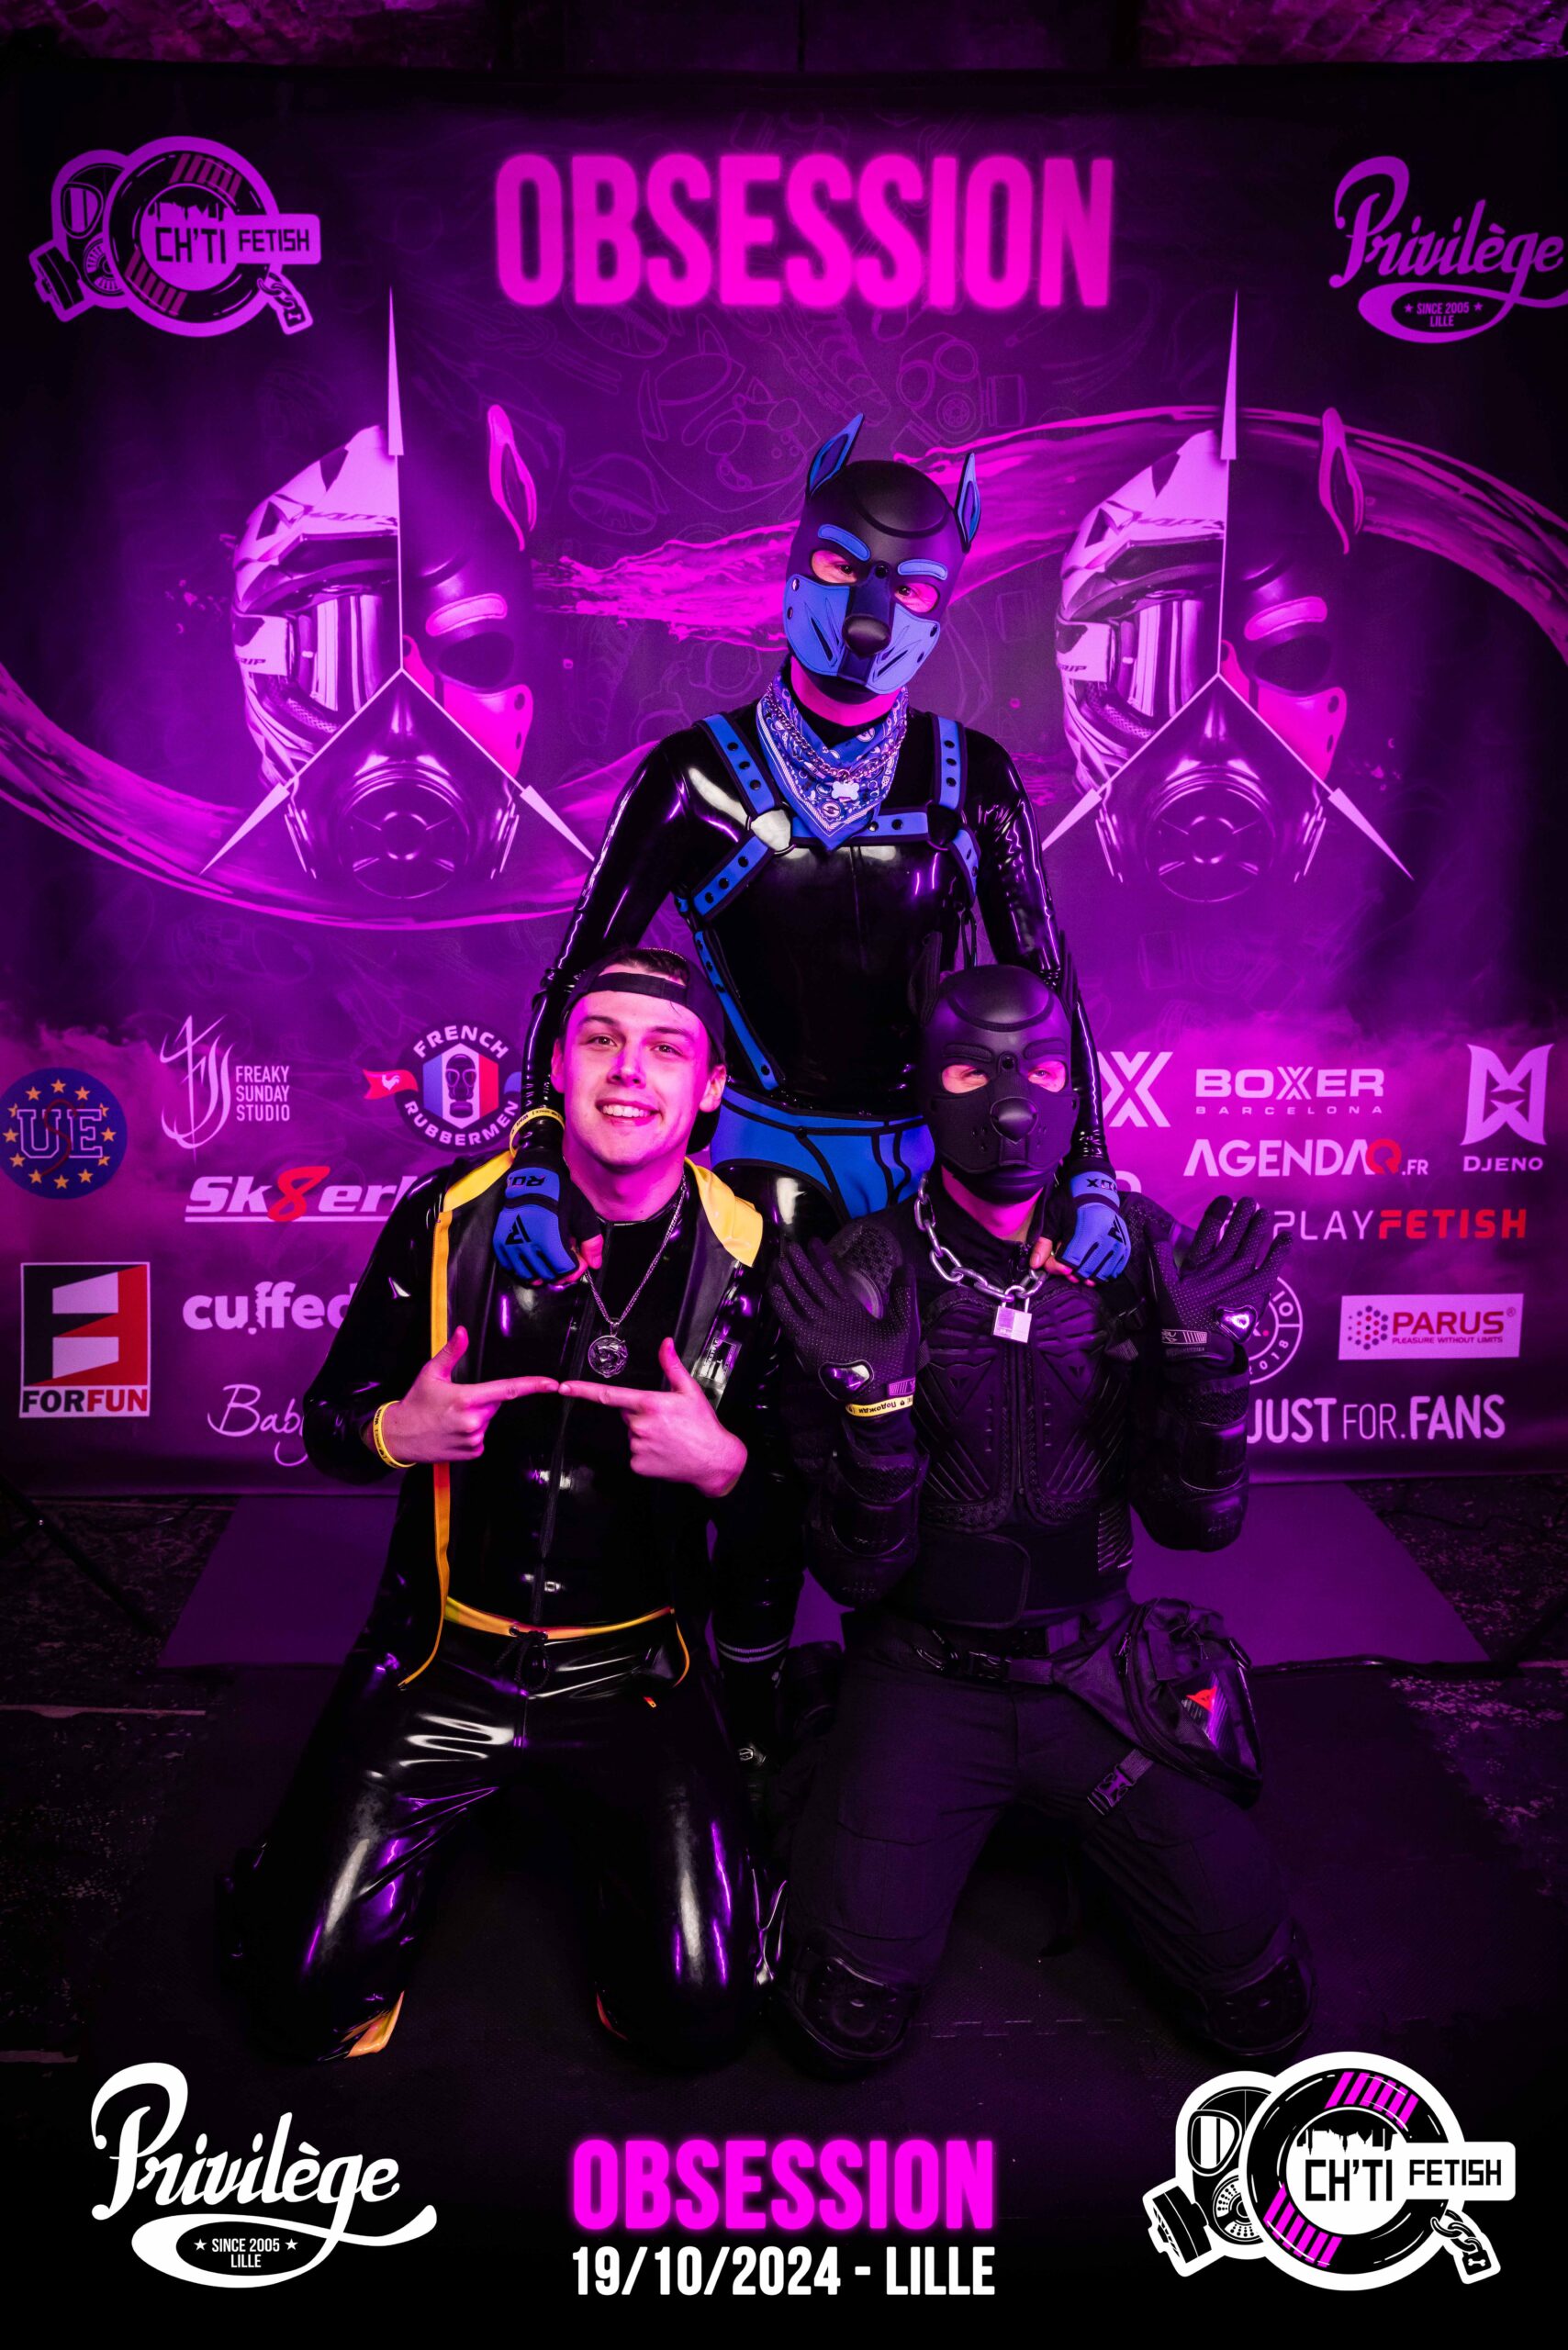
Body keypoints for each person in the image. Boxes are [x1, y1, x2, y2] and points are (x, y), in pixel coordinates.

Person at [218, 948, 799, 2069]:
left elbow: (801, 1521)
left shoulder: (753, 1254)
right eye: (600, 1039)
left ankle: (653, 1864)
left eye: (666, 1048)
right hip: (440, 1659)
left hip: (637, 1676)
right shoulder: (448, 1216)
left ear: (710, 1088)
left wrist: (726, 1465)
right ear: (558, 1066)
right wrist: (395, 1431)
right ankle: (300, 1866)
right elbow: (329, 1420)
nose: (628, 1070)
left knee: (697, 2019)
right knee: (300, 2003)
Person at [767, 962, 1316, 2076]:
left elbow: (1197, 1526)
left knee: (1261, 2003)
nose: (1013, 1107)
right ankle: (835, 1739)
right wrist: (876, 1415)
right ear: (926, 1086)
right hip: (924, 1676)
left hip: (1095, 1676)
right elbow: (851, 1576)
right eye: (973, 1072)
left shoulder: (1141, 1253)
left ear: (1076, 1088)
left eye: (1043, 1071)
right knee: (842, 2020)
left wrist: (1208, 1377)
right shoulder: (860, 1273)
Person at [495, 415, 1129, 1298]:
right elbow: (577, 979)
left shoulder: (973, 775)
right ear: (796, 567)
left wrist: (1089, 1167)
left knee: (927, 1375)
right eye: (841, 566)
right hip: (760, 1147)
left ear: (942, 606)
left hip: (939, 1153)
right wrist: (536, 1161)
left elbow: (1046, 986)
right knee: (766, 1362)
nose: (869, 620)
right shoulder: (695, 775)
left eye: (912, 589)